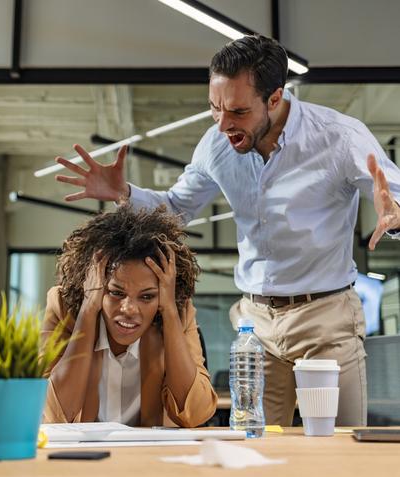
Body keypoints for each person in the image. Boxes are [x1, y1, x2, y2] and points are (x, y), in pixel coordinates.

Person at [52, 34, 400, 427]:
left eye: (236, 111)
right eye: (214, 108)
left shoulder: (338, 136)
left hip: (325, 316)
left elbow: (395, 195)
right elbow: (177, 209)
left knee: (342, 451)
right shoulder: (217, 143)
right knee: (257, 451)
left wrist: (396, 215)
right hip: (256, 322)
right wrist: (124, 193)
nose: (222, 124)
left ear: (275, 98)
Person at [41, 205, 217, 427]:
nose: (129, 309)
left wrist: (170, 312)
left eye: (147, 297)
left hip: (146, 457)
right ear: (92, 283)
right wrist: (88, 310)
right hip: (82, 457)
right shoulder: (64, 307)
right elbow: (55, 415)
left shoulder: (178, 312)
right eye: (116, 293)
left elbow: (196, 414)